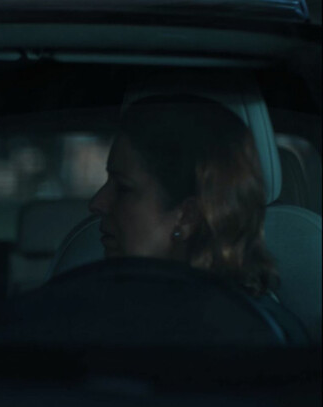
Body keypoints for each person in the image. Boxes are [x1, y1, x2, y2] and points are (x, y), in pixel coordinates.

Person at [89, 95, 307, 340]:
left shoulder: (256, 337)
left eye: (123, 188)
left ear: (187, 216)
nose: (97, 203)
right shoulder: (99, 309)